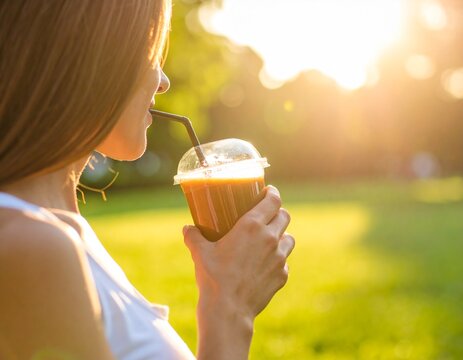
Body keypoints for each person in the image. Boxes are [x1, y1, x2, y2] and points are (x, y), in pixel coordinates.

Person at [0, 0, 295, 359]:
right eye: (150, 50)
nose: (164, 81)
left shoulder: (59, 230)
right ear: (94, 55)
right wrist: (230, 309)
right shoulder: (28, 245)